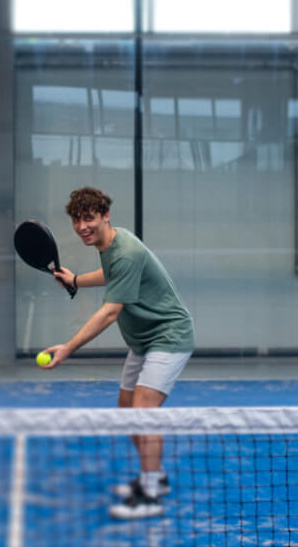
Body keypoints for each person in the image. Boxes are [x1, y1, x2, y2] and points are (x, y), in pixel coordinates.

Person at [36, 186, 197, 520]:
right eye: (77, 220)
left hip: (168, 337)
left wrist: (67, 348)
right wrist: (77, 280)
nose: (82, 226)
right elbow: (112, 276)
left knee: (143, 412)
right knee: (127, 411)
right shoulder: (111, 244)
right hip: (142, 341)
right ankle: (157, 477)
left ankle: (150, 495)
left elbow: (110, 312)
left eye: (89, 218)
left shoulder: (125, 250)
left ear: (105, 216)